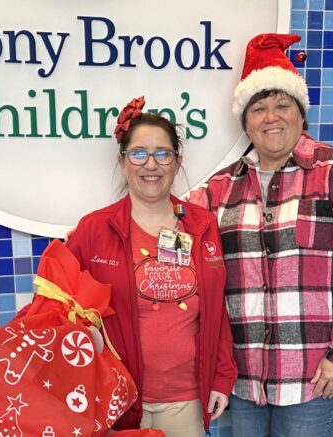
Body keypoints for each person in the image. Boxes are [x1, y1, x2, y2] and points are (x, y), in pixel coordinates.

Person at [188, 33, 333, 436]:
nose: (270, 117)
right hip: (244, 380)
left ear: (301, 113)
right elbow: (168, 226)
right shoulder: (220, 188)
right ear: (245, 121)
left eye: (282, 104)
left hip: (314, 377)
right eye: (258, 108)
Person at [64, 96, 237, 436]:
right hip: (117, 398)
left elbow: (217, 309)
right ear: (123, 160)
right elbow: (61, 310)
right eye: (139, 153)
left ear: (177, 160)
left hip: (186, 400)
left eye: (163, 153)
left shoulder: (202, 226)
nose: (151, 164)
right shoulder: (93, 230)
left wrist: (222, 375)